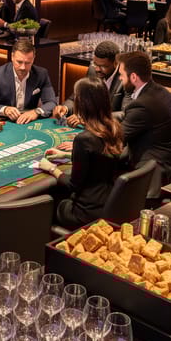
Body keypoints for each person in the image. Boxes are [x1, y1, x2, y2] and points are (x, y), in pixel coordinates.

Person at [38, 77, 125, 228]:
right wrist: (64, 155)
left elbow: (73, 185)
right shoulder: (114, 127)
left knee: (45, 202)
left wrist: (51, 168)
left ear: (82, 103)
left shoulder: (83, 139)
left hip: (85, 213)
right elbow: (99, 160)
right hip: (109, 205)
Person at [118, 50, 171, 197]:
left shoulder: (142, 105)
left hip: (153, 172)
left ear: (133, 77)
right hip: (166, 162)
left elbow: (116, 140)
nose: (120, 79)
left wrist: (86, 140)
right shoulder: (161, 91)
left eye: (121, 75)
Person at [0, 39, 57, 124]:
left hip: (29, 121)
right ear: (12, 57)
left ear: (33, 59)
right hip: (5, 122)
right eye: (19, 62)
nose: (23, 67)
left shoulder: (41, 74)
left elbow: (52, 103)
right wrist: (5, 109)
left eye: (27, 63)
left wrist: (36, 112)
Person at [54, 41, 124, 126]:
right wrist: (65, 108)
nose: (97, 69)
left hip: (112, 130)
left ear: (116, 63)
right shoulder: (92, 70)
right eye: (95, 64)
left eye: (103, 66)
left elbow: (125, 114)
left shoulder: (125, 78)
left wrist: (91, 118)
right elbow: (75, 98)